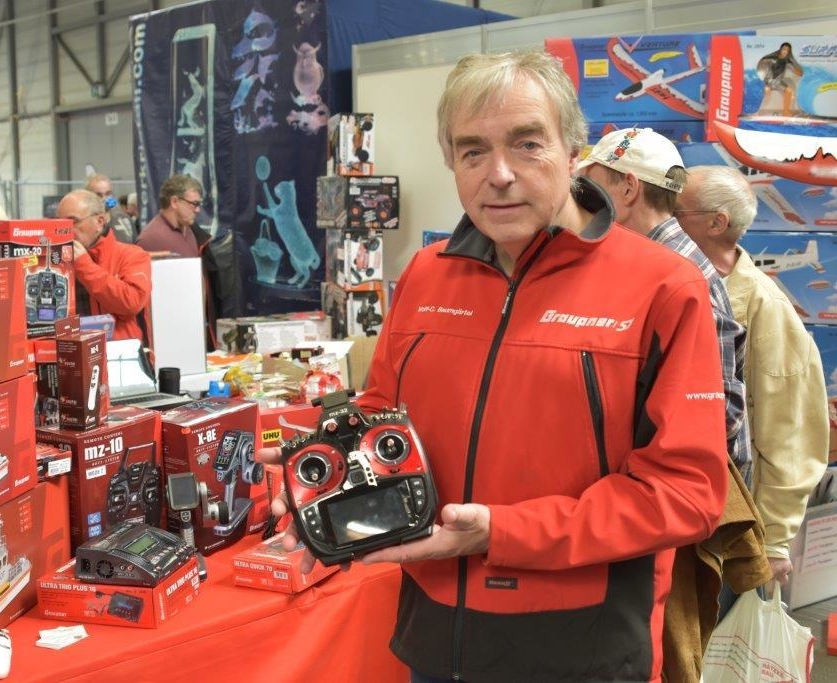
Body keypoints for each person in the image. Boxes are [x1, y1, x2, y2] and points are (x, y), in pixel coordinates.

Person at [259, 51, 729, 682]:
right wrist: (325, 469)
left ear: (573, 153)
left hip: (582, 651)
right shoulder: (426, 275)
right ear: (452, 162)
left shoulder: (663, 287)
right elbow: (382, 417)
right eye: (473, 151)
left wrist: (502, 533)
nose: (499, 174)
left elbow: (686, 494)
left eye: (527, 144)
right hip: (433, 638)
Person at [676, 164, 829, 584]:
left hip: (734, 529)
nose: (663, 217)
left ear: (716, 223)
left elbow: (790, 428)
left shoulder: (763, 305)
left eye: (676, 210)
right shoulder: (682, 284)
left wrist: (774, 539)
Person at [577, 127, 753, 484]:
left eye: (591, 188)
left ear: (629, 189)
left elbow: (721, 409)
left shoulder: (676, 276)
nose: (581, 204)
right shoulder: (654, 262)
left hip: (677, 496)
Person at [56, 189, 152, 342]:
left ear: (99, 222)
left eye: (73, 222)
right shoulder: (55, 259)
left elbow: (131, 303)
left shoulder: (132, 255)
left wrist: (84, 265)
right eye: (59, 223)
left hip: (117, 351)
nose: (64, 230)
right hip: (69, 348)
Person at [136, 174, 209, 258]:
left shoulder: (188, 230)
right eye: (194, 204)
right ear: (174, 202)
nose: (198, 210)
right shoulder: (150, 239)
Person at [85, 172, 136, 243]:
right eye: (98, 195)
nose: (104, 199)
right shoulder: (83, 223)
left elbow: (135, 245)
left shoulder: (124, 219)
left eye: (108, 194)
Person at [756, 42, 803, 117]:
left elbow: (796, 72)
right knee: (767, 95)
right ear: (780, 49)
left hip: (778, 82)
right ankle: (757, 111)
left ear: (789, 52)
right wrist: (766, 84)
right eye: (784, 49)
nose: (785, 51)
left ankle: (785, 111)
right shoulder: (772, 59)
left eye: (787, 50)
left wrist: (800, 72)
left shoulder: (787, 61)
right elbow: (763, 66)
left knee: (789, 91)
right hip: (770, 81)